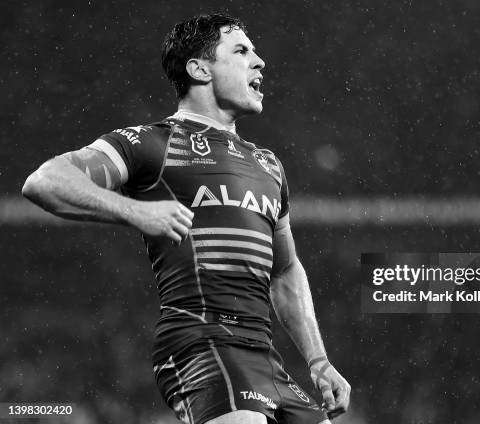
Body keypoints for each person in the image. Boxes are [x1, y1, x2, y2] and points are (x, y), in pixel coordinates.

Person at [22, 13, 350, 424]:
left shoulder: (268, 165)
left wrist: (318, 361)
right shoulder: (151, 143)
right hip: (201, 341)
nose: (260, 61)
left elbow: (285, 271)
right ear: (199, 69)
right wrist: (135, 211)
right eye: (242, 50)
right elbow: (46, 181)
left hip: (265, 357)